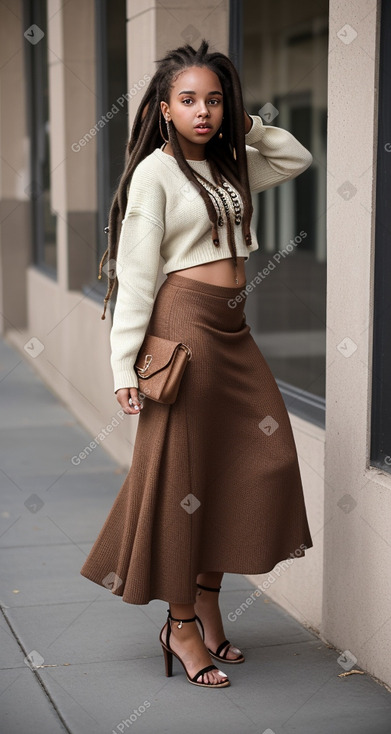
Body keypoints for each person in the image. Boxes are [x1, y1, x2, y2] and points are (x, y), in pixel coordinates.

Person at [80, 38, 314, 689]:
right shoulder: (154, 175)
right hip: (184, 329)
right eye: (188, 100)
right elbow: (135, 276)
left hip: (232, 328)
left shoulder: (229, 163)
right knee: (182, 473)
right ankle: (181, 624)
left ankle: (207, 596)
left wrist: (247, 124)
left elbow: (295, 157)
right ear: (162, 109)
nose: (202, 110)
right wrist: (124, 368)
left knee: (262, 457)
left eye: (213, 98)